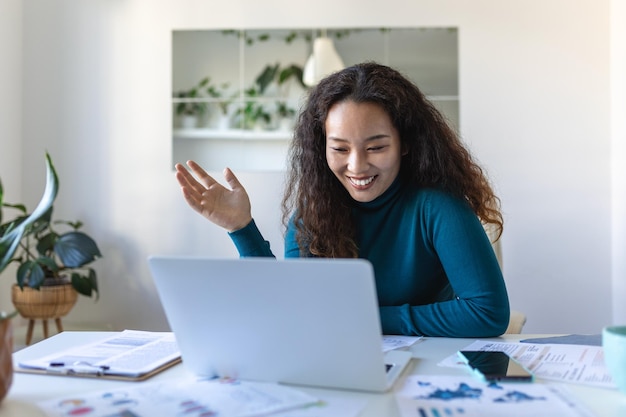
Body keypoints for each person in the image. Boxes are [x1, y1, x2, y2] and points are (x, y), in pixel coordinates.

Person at [175, 62, 510, 337]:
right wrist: (242, 229)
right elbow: (291, 311)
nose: (357, 165)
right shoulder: (312, 217)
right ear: (321, 148)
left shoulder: (439, 208)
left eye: (376, 147)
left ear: (405, 143)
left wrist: (363, 319)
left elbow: (487, 312)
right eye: (339, 148)